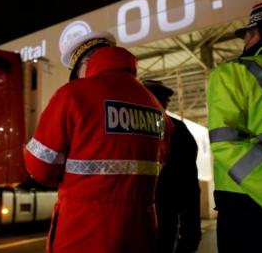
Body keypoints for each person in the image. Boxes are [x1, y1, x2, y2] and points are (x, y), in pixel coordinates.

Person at [24, 31, 174, 253]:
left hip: (85, 232)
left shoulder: (74, 94)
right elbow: (157, 166)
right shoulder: (156, 107)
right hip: (142, 231)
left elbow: (40, 168)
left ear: (85, 64)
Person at [207, 0, 262, 252]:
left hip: (254, 203)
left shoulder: (235, 72)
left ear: (257, 34)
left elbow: (227, 141)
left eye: (246, 36)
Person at [143, 80, 201, 253]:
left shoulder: (127, 128)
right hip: (165, 214)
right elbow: (189, 184)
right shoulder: (178, 129)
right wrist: (191, 229)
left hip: (135, 217)